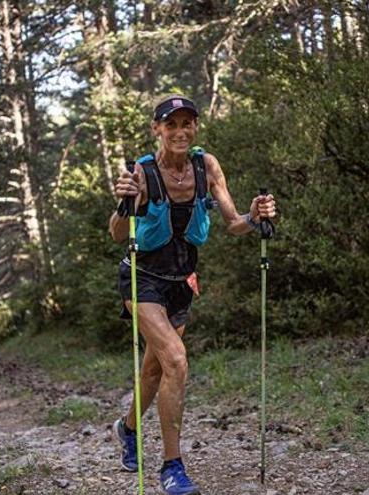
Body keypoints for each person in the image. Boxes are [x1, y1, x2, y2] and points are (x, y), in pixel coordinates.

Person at [108, 94, 277, 495]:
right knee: (177, 361)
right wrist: (122, 205)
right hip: (142, 279)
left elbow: (233, 223)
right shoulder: (144, 173)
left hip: (182, 282)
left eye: (187, 123)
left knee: (155, 369)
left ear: (195, 127)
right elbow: (117, 234)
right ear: (157, 130)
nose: (180, 132)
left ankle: (127, 428)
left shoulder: (208, 166)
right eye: (171, 125)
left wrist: (254, 216)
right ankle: (172, 467)